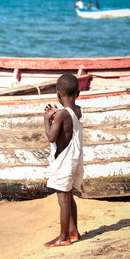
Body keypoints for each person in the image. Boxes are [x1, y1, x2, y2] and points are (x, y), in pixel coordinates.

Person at [43, 74, 84, 247]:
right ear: (78, 93)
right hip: (75, 158)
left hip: (64, 160)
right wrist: (56, 117)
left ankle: (64, 237)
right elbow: (68, 128)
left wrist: (47, 120)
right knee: (69, 195)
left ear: (58, 94)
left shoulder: (60, 115)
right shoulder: (78, 110)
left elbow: (52, 137)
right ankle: (73, 232)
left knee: (63, 198)